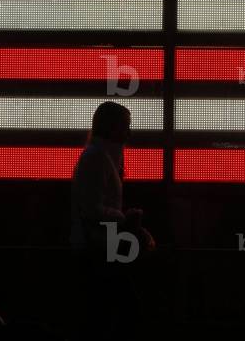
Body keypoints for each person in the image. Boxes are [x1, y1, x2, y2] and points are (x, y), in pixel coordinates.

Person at [71, 101, 153, 340]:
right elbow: (91, 209)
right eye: (125, 126)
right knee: (119, 310)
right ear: (112, 126)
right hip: (98, 250)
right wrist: (123, 218)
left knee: (103, 312)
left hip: (100, 247)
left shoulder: (99, 156)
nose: (129, 133)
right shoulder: (98, 158)